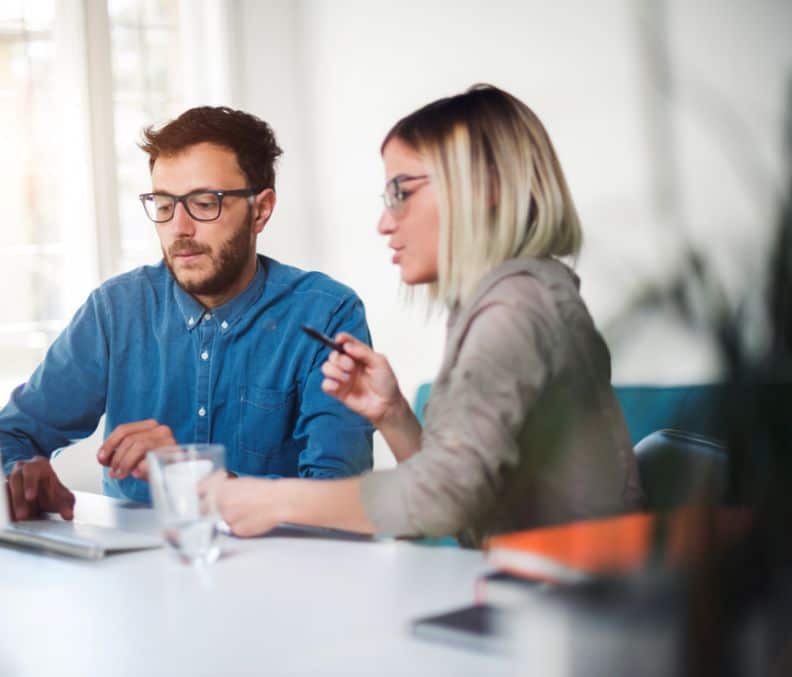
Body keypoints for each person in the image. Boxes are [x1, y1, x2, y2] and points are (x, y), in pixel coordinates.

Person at [213, 85, 645, 545]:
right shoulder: (506, 298)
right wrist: (394, 413)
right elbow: (466, 501)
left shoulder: (515, 308)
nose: (385, 222)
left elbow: (443, 499)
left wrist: (274, 500)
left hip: (573, 601)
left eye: (402, 192)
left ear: (487, 185)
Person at [0, 106, 374, 521]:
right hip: (135, 574)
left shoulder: (326, 314)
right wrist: (20, 473)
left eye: (203, 203)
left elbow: (343, 503)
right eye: (163, 204)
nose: (179, 228)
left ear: (261, 210)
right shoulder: (116, 310)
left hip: (275, 574)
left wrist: (191, 472)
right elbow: (12, 433)